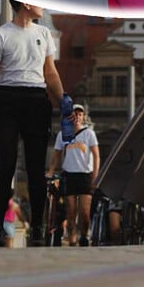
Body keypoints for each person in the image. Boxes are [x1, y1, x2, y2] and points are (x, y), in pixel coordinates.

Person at [0, 0, 66, 247]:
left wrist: (63, 99)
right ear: (26, 3)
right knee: (6, 166)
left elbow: (50, 72)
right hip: (8, 98)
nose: (43, 6)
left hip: (37, 99)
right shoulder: (0, 34)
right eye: (38, 2)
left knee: (36, 169)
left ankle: (36, 228)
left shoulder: (43, 33)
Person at [47, 104, 99, 247]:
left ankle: (84, 235)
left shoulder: (89, 134)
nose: (77, 117)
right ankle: (72, 239)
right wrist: (51, 170)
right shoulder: (62, 134)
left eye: (79, 114)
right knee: (70, 211)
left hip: (85, 175)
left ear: (83, 117)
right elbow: (57, 154)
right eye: (74, 114)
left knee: (84, 213)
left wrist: (95, 176)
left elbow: (96, 155)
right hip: (69, 175)